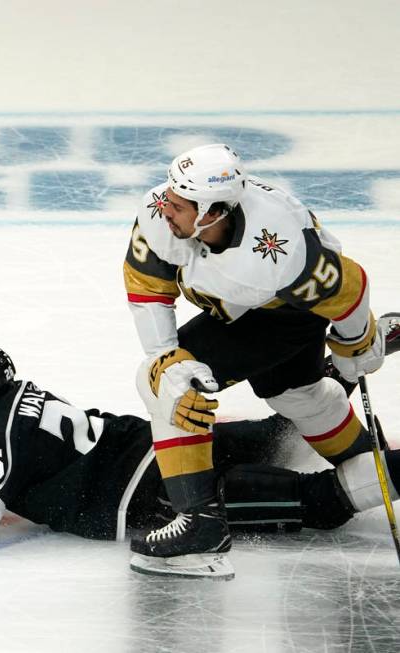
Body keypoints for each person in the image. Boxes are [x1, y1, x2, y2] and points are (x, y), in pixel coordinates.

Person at [0, 338, 399, 580]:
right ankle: (345, 369)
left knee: (323, 503)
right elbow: (16, 464)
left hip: (159, 499)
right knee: (280, 432)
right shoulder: (22, 399)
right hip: (163, 440)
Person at [121, 143, 394, 578]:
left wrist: (355, 342)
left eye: (178, 203)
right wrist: (163, 353)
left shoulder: (279, 252)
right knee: (295, 395)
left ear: (212, 212)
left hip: (283, 313)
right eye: (169, 194)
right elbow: (146, 285)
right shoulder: (160, 211)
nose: (164, 207)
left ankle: (200, 527)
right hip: (245, 309)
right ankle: (362, 458)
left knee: (171, 388)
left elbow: (350, 286)